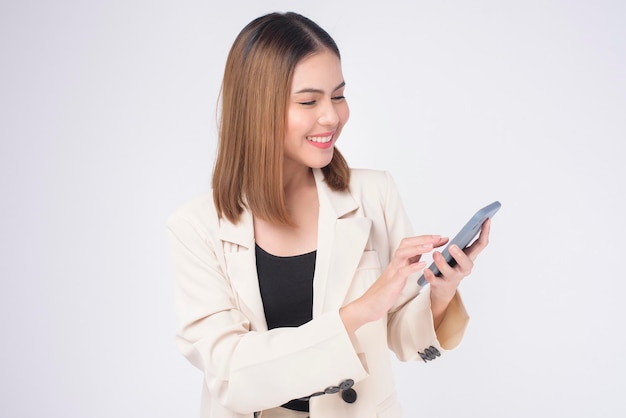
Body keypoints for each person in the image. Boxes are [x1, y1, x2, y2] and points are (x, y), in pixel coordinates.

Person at [167, 11, 491, 418]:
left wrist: (441, 292)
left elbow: (405, 339)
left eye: (338, 95)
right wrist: (359, 312)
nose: (332, 116)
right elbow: (230, 371)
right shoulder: (196, 226)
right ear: (255, 109)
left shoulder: (374, 194)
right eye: (309, 101)